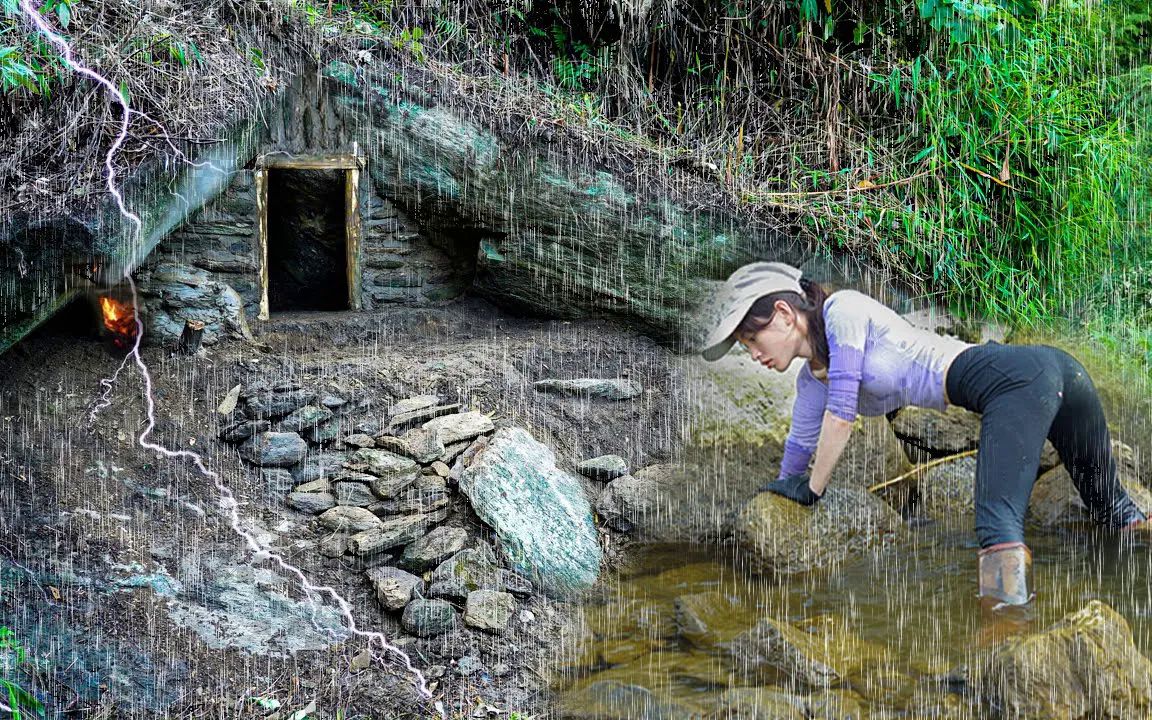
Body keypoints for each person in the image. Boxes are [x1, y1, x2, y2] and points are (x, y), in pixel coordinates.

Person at [699, 261, 1149, 606]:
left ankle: (1006, 642)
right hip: (1054, 373)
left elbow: (841, 416)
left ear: (782, 314)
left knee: (996, 529)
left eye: (751, 341)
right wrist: (785, 490)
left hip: (1017, 381)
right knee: (1120, 518)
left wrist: (813, 489)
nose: (754, 355)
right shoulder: (811, 379)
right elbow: (798, 447)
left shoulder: (843, 311)